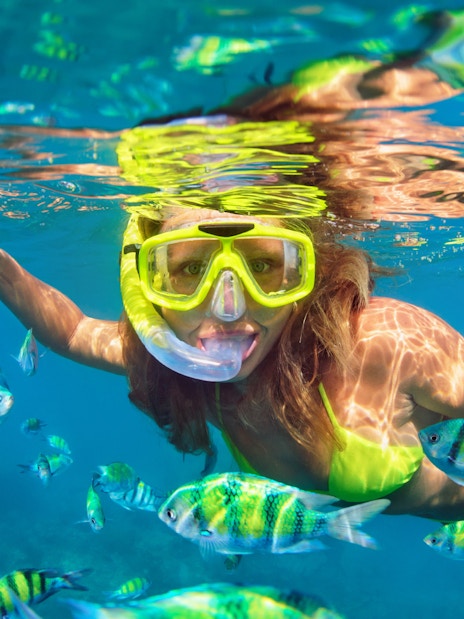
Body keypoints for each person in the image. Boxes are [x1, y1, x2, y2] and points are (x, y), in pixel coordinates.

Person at [1, 12, 464, 522]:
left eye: (265, 266)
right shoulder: (176, 362)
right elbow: (70, 332)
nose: (227, 308)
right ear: (143, 282)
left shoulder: (385, 344)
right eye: (188, 270)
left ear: (307, 274)